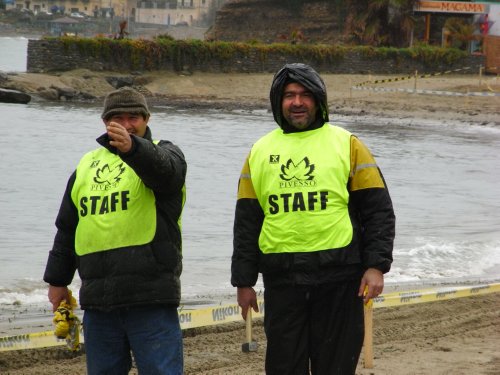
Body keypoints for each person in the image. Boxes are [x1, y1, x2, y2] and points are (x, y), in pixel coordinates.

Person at [231, 63, 395, 374]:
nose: (297, 102)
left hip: (340, 278)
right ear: (278, 102)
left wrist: (376, 266)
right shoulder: (260, 151)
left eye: (305, 95)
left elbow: (378, 209)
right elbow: (247, 222)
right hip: (282, 281)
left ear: (319, 100)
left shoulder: (348, 144)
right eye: (289, 95)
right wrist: (243, 281)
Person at [43, 86, 187, 374]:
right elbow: (68, 227)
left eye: (133, 117)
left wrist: (133, 149)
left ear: (147, 118)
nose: (126, 124)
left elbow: (166, 174)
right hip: (99, 301)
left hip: (151, 298)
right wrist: (57, 280)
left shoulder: (166, 152)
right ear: (105, 122)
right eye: (117, 118)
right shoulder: (86, 165)